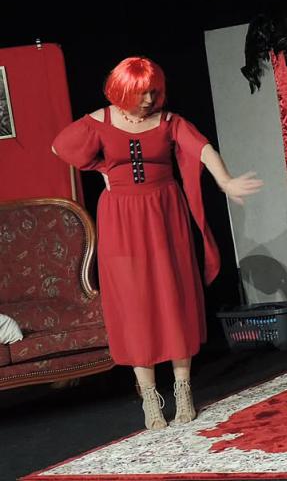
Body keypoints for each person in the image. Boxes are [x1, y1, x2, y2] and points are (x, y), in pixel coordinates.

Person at [51, 57, 262, 430]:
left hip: (164, 214)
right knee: (134, 302)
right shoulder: (99, 120)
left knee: (172, 295)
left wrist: (226, 181)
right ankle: (149, 397)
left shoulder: (168, 122)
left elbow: (202, 148)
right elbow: (61, 148)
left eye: (154, 91)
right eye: (141, 93)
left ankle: (183, 388)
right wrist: (101, 167)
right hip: (120, 219)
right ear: (122, 91)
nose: (149, 99)